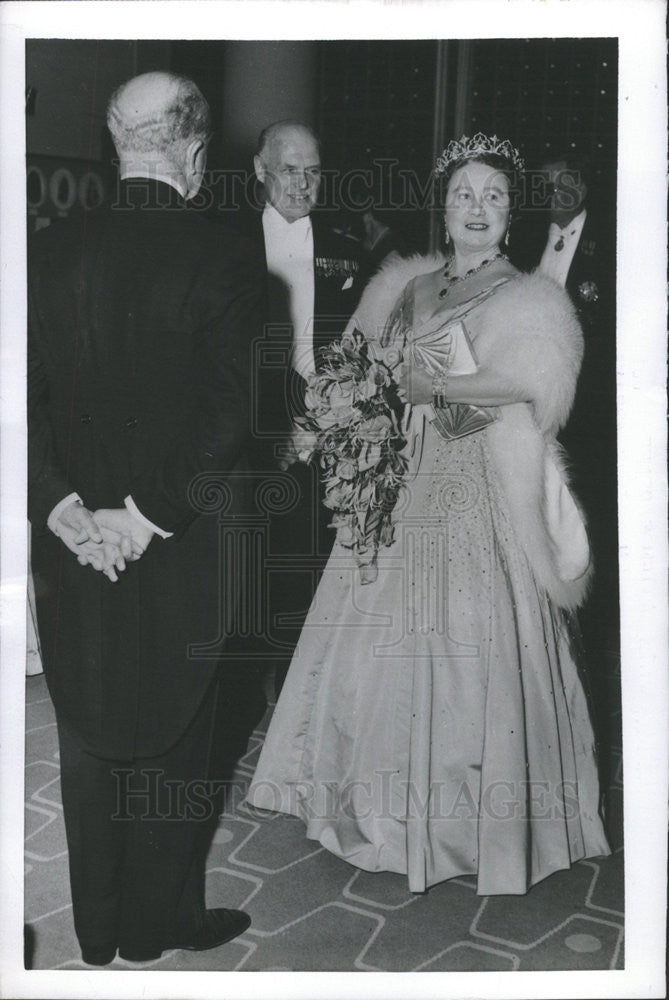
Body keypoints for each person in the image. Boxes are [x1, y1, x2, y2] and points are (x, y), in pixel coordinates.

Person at [246, 132, 611, 895]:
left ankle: (467, 823)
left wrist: (434, 389)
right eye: (462, 194)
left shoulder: (530, 293)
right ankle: (369, 808)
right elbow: (360, 369)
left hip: (477, 489)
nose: (476, 209)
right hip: (397, 480)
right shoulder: (406, 285)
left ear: (510, 212)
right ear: (441, 207)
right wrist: (316, 429)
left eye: (493, 196)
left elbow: (531, 385)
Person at [28, 71, 264, 964]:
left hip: (75, 547)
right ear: (195, 152)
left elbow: (22, 406)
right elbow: (231, 416)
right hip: (182, 543)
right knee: (178, 739)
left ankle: (95, 935)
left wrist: (60, 511)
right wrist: (144, 515)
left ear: (115, 143)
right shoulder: (228, 259)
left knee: (88, 734)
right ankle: (157, 928)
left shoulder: (47, 253)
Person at [247, 121, 367, 692]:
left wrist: (322, 420)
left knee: (310, 567)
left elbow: (358, 350)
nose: (302, 182)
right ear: (259, 170)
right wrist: (274, 420)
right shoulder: (226, 243)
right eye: (289, 169)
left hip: (324, 439)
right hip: (248, 437)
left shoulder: (348, 252)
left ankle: (299, 698)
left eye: (312, 170)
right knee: (248, 575)